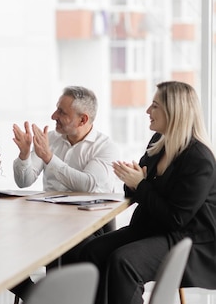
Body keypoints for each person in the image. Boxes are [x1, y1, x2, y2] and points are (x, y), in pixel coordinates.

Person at [80, 81, 216, 304]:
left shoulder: (199, 159)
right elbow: (138, 192)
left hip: (188, 241)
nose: (147, 111)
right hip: (154, 228)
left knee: (123, 262)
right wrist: (132, 181)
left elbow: (177, 218)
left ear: (174, 112)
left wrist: (141, 184)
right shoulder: (158, 142)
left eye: (154, 106)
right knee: (92, 251)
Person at [11, 86, 120, 301]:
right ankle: (37, 296)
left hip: (88, 226)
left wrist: (50, 159)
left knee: (65, 246)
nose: (54, 116)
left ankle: (50, 297)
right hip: (48, 220)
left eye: (62, 112)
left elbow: (87, 184)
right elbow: (24, 181)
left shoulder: (105, 147)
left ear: (82, 119)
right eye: (56, 109)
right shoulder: (50, 139)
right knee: (4, 245)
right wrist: (24, 155)